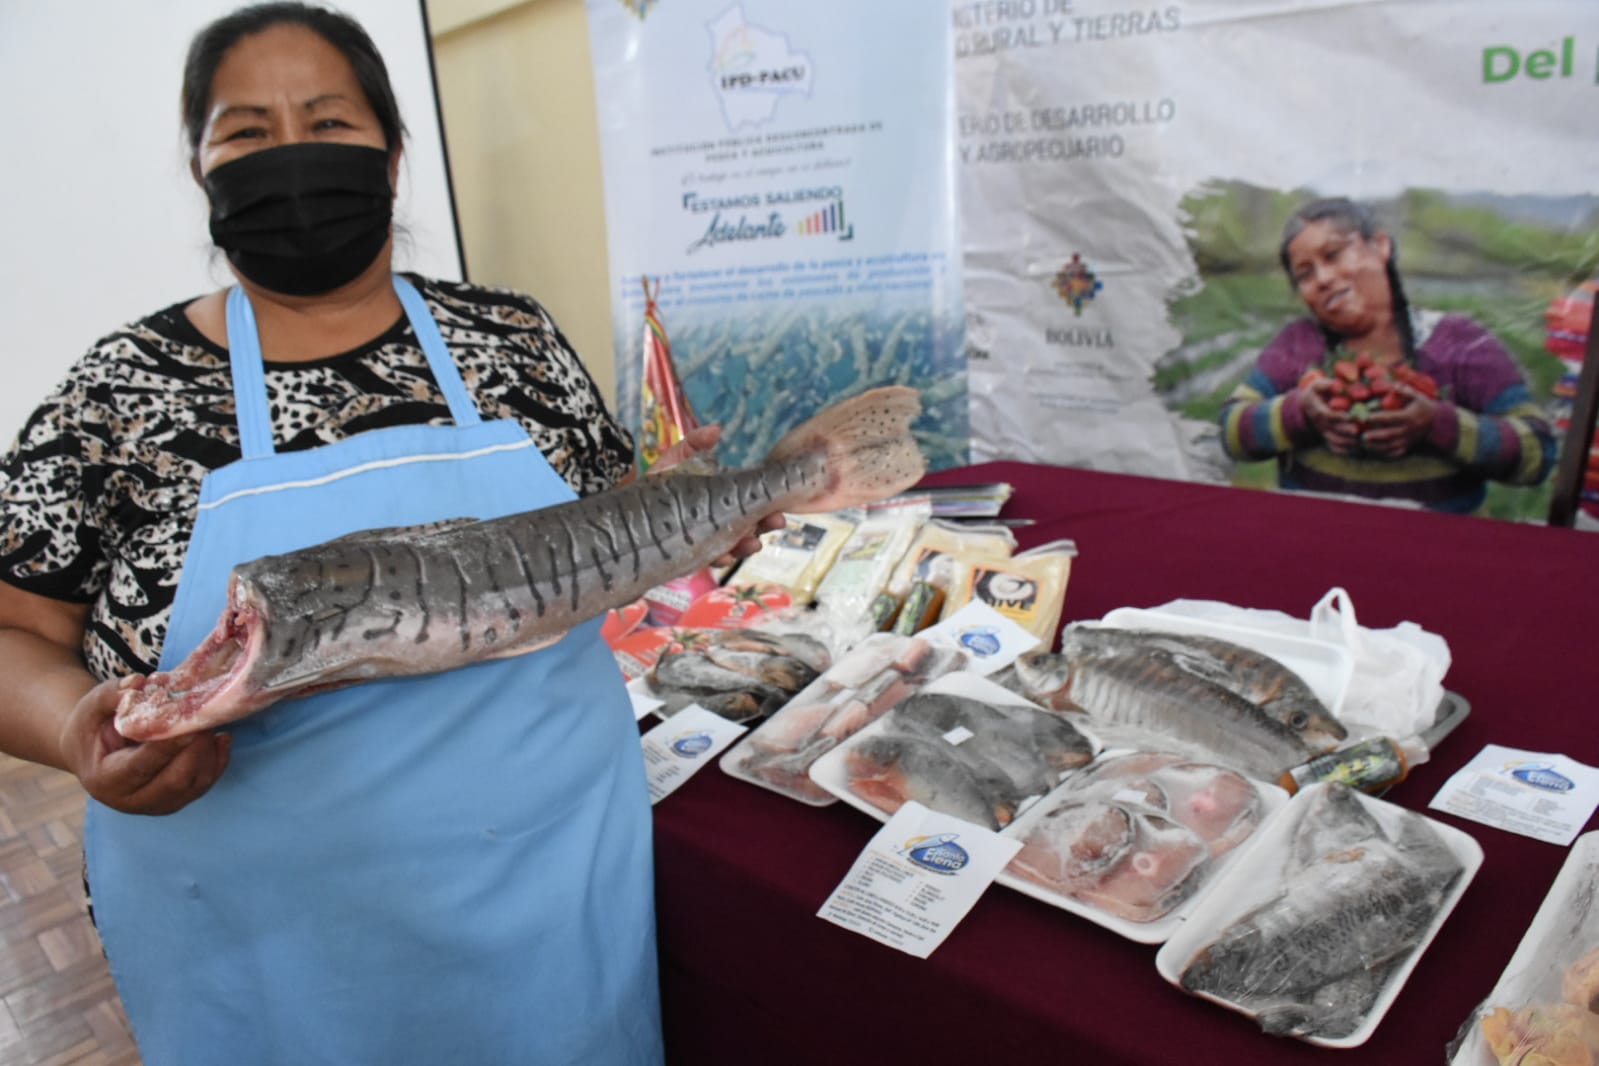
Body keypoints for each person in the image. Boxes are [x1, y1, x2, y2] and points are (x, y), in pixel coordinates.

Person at [0, 4, 760, 1062]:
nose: (293, 157)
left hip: (549, 884)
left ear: (392, 156)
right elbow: (12, 630)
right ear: (200, 167)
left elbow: (592, 539)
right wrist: (73, 726)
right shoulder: (121, 393)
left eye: (329, 123)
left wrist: (682, 507)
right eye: (247, 133)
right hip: (266, 941)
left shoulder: (513, 340)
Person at [1218, 196, 1555, 514]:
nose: (1323, 278)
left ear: (1380, 245)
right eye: (1304, 274)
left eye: (1333, 254)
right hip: (1314, 543)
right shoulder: (1298, 345)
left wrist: (1438, 424)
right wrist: (1300, 414)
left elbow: (1538, 454)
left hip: (1438, 551)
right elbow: (1232, 432)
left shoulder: (1461, 343)